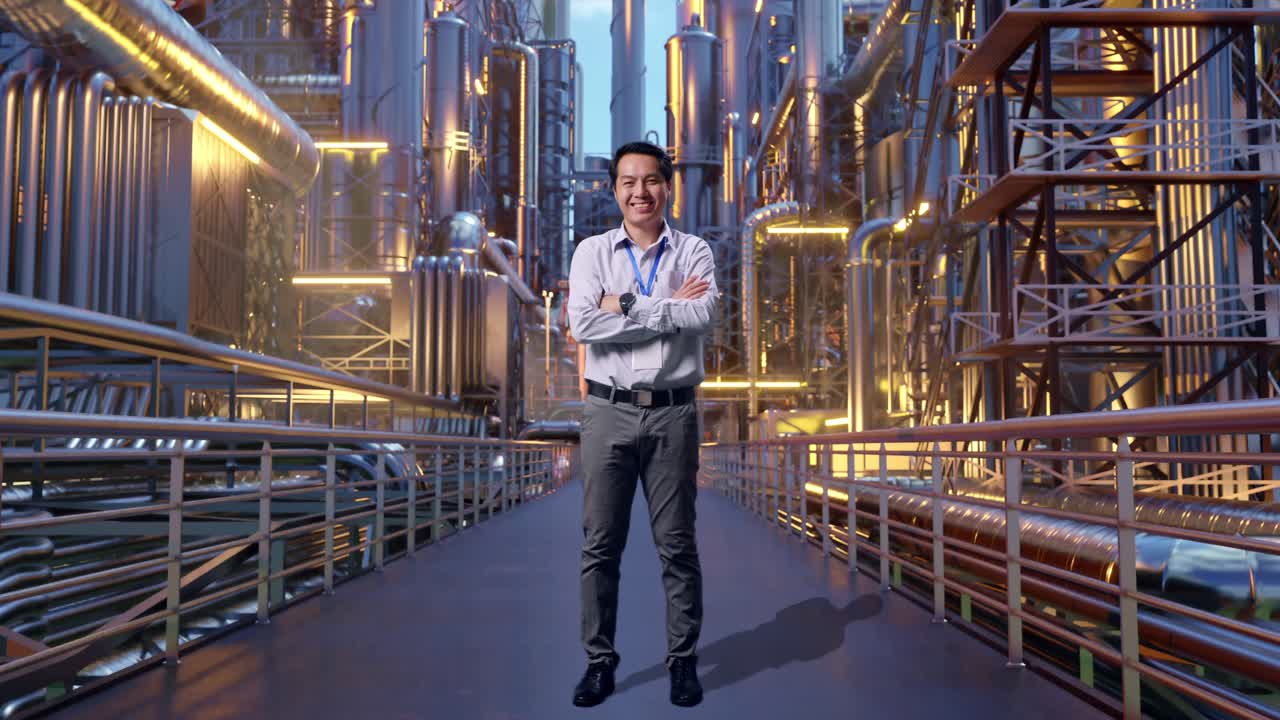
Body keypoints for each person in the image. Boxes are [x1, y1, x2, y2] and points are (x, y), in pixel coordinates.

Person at [566, 141, 718, 708]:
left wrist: (624, 304)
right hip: (607, 410)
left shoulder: (695, 250)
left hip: (675, 412)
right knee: (600, 545)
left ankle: (683, 662)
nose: (640, 192)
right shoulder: (591, 252)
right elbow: (583, 325)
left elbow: (701, 314)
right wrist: (661, 309)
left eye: (650, 181)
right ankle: (599, 663)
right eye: (628, 182)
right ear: (614, 191)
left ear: (667, 186)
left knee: (676, 545)